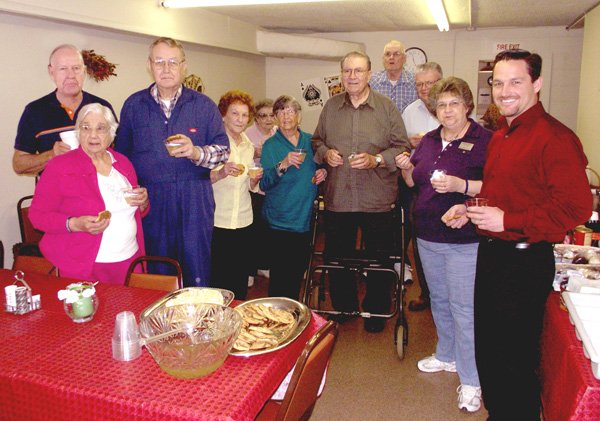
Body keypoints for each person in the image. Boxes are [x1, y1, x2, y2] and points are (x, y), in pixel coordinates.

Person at [466, 49, 591, 419]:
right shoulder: (502, 135)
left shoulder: (555, 137)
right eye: (499, 82)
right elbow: (506, 192)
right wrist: (470, 210)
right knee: (489, 352)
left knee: (514, 360)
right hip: (493, 255)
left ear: (536, 83)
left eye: (515, 81)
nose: (505, 91)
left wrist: (508, 220)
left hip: (522, 261)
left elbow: (575, 208)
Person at [396, 77, 492, 412]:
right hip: (427, 235)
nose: (447, 110)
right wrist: (408, 169)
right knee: (439, 299)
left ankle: (471, 380)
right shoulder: (430, 140)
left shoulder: (484, 140)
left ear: (467, 106)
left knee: (464, 308)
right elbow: (415, 183)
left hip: (465, 239)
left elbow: (496, 186)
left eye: (454, 104)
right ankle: (446, 354)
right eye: (441, 105)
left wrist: (460, 185)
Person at [115, 37, 229, 287]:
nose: (166, 69)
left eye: (172, 62)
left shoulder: (203, 105)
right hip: (152, 200)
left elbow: (223, 151)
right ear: (149, 65)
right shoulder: (134, 105)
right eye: (159, 62)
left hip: (194, 198)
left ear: (183, 66)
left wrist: (196, 152)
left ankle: (198, 323)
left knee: (196, 266)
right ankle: (160, 324)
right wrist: (130, 193)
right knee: (157, 269)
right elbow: (120, 159)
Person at [313, 51, 410, 333]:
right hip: (339, 197)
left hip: (376, 198)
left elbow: (401, 146)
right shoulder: (331, 107)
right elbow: (317, 140)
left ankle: (377, 310)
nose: (352, 77)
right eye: (347, 71)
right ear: (341, 74)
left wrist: (376, 160)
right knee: (337, 256)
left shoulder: (386, 108)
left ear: (369, 74)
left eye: (358, 71)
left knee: (380, 259)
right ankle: (345, 306)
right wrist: (325, 152)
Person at [28, 103, 149, 284]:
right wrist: (74, 224)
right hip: (85, 266)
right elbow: (37, 216)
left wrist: (143, 203)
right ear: (78, 132)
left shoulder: (123, 163)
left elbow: (137, 212)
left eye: (101, 128)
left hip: (130, 261)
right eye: (86, 128)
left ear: (111, 133)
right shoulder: (59, 166)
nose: (93, 135)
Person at [13, 44, 116, 176]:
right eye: (63, 69)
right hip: (55, 193)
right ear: (51, 72)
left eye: (76, 68)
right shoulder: (35, 111)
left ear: (84, 71)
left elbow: (118, 152)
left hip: (98, 192)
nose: (71, 75)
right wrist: (52, 155)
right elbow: (18, 164)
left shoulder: (102, 106)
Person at [260, 95, 326, 300]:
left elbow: (320, 166)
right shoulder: (271, 145)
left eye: (290, 111)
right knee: (280, 277)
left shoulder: (311, 141)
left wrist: (323, 172)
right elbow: (264, 183)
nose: (286, 116)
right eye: (281, 112)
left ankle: (295, 315)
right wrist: (284, 164)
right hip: (279, 220)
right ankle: (279, 320)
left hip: (304, 218)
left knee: (298, 273)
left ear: (299, 116)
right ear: (276, 117)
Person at [400, 61, 444, 312]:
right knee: (420, 240)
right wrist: (409, 142)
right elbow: (400, 144)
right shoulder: (410, 111)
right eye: (420, 84)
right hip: (417, 185)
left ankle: (448, 294)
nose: (425, 88)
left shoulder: (453, 107)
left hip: (450, 188)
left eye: (430, 83)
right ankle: (427, 293)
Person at [210, 90, 262, 300]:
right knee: (218, 280)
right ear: (223, 115)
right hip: (218, 220)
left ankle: (236, 323)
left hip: (244, 219)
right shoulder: (214, 143)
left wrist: (254, 179)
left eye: (244, 115)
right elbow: (200, 179)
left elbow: (249, 186)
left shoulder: (248, 145)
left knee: (239, 279)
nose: (240, 119)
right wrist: (222, 172)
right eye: (235, 114)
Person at [244, 99, 277, 284]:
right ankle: (249, 271)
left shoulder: (277, 133)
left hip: (271, 189)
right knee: (253, 231)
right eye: (263, 116)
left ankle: (264, 265)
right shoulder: (248, 135)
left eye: (272, 115)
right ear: (256, 118)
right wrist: (254, 154)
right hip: (253, 189)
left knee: (267, 230)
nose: (268, 119)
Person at [369, 40, 417, 114]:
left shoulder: (415, 82)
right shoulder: (372, 81)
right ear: (383, 59)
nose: (391, 57)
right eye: (387, 54)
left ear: (404, 59)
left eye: (396, 54)